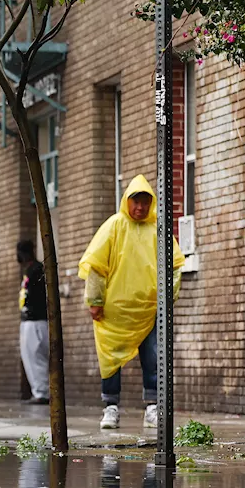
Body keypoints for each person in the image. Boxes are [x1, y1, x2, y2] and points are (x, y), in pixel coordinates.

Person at [79, 175, 184, 430]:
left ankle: (152, 407)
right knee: (110, 359)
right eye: (136, 202)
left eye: (145, 203)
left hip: (148, 310)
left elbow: (174, 267)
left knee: (153, 357)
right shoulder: (114, 227)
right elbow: (96, 267)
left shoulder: (158, 230)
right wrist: (95, 300)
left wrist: (167, 298)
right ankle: (110, 407)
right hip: (114, 311)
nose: (140, 208)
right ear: (127, 201)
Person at [16, 240, 50, 405]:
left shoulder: (35, 270)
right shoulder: (33, 269)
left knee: (34, 355)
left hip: (34, 320)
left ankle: (41, 392)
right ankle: (41, 390)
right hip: (34, 320)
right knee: (35, 355)